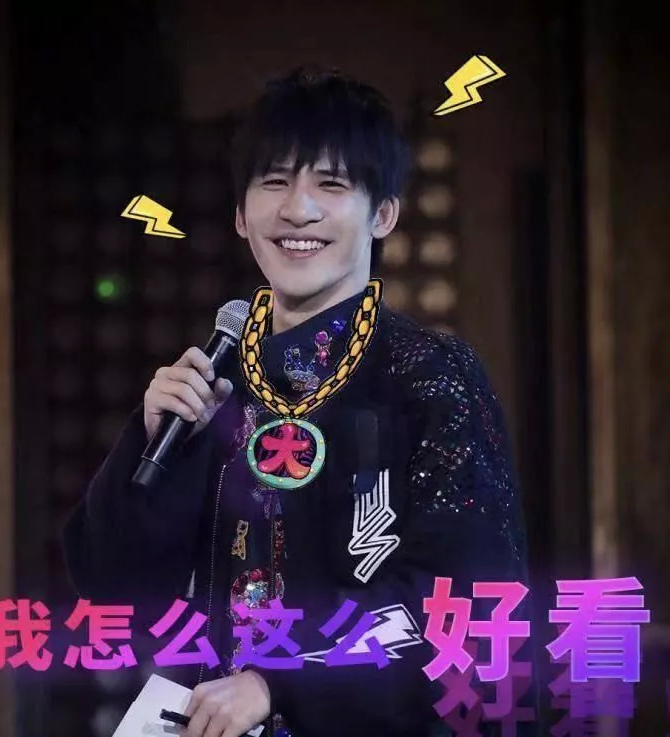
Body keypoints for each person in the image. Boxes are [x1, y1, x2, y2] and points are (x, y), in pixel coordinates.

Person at [63, 66, 531, 737]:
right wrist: (150, 440)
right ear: (239, 214)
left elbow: (463, 603)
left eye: (331, 184)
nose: (297, 210)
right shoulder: (214, 379)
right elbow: (115, 595)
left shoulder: (427, 376)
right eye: (274, 181)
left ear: (383, 213)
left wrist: (279, 681)